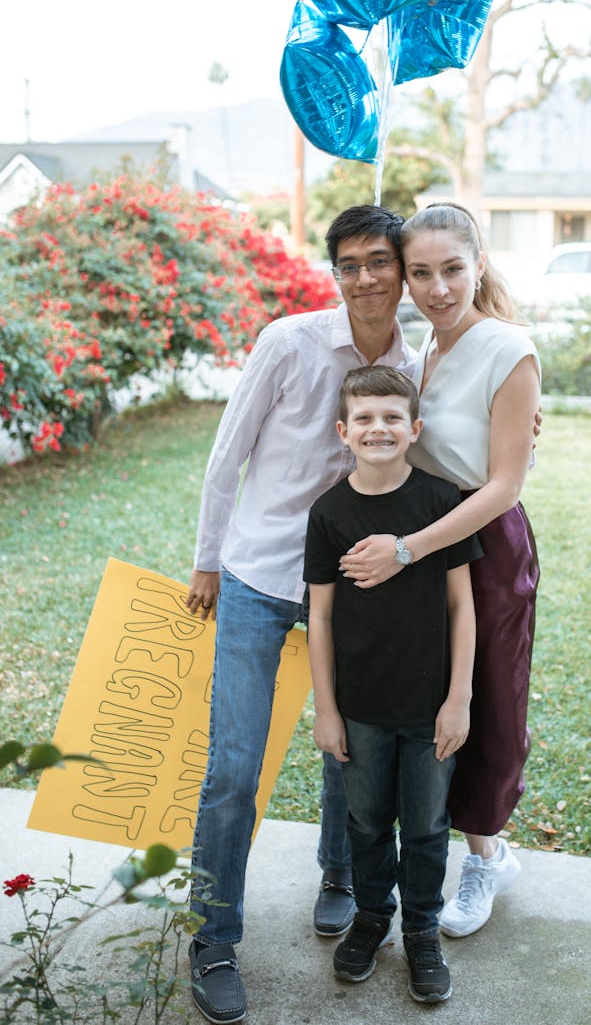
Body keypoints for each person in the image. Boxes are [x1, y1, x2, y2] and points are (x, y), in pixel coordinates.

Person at [185, 206, 413, 1024]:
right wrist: (209, 559)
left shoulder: (416, 362)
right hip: (256, 571)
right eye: (348, 263)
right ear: (335, 273)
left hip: (352, 584)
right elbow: (228, 450)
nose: (365, 277)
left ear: (400, 267)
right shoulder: (289, 341)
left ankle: (340, 872)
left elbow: (447, 452)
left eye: (379, 260)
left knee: (346, 747)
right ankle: (211, 935)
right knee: (235, 765)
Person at [339, 202, 541, 940]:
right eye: (419, 272)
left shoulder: (507, 347)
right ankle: (460, 846)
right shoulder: (424, 350)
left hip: (481, 543)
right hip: (420, 542)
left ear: (478, 264)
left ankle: (486, 855)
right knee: (430, 697)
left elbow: (503, 484)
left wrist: (409, 548)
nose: (436, 287)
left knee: (487, 699)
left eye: (451, 269)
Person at [304, 365, 481, 1003]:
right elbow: (318, 617)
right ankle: (373, 918)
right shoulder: (328, 513)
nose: (379, 428)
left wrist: (459, 697)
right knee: (369, 822)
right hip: (361, 708)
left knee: (429, 827)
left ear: (414, 429)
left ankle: (422, 933)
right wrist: (326, 710)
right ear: (343, 431)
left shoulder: (440, 503)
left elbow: (464, 606)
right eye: (366, 418)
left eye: (392, 418)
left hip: (433, 703)